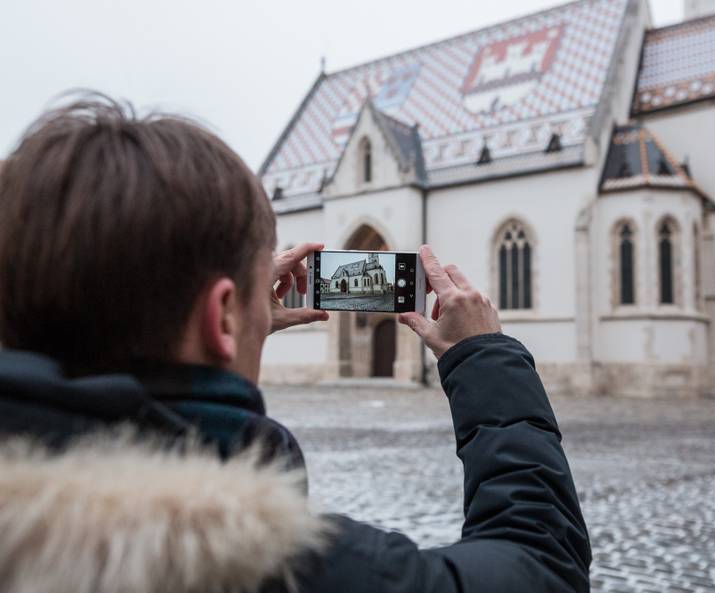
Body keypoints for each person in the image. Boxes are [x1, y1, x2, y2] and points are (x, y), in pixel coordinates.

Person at [0, 96, 591, 593]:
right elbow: (542, 566)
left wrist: (238, 322)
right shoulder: (287, 569)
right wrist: (484, 356)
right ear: (221, 315)